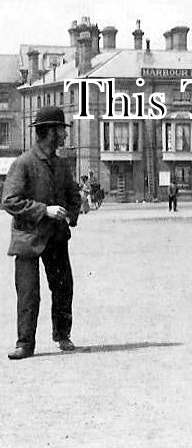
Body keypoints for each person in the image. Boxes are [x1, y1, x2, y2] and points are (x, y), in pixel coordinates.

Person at [3, 106, 82, 360]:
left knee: (63, 287)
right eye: (61, 130)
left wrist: (72, 212)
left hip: (56, 237)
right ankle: (25, 344)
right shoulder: (23, 162)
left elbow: (73, 196)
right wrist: (44, 210)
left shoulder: (62, 165)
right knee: (28, 293)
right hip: (28, 239)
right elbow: (10, 201)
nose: (65, 135)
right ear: (49, 132)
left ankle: (62, 335)